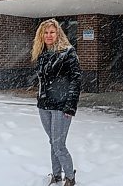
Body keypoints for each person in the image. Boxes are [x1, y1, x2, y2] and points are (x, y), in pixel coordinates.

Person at [32, 19, 82, 186]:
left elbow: (76, 80)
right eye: (45, 33)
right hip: (44, 106)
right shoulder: (41, 53)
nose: (48, 35)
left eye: (52, 32)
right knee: (53, 142)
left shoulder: (68, 53)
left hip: (61, 107)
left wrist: (70, 106)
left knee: (59, 144)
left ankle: (70, 177)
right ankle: (56, 175)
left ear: (58, 33)